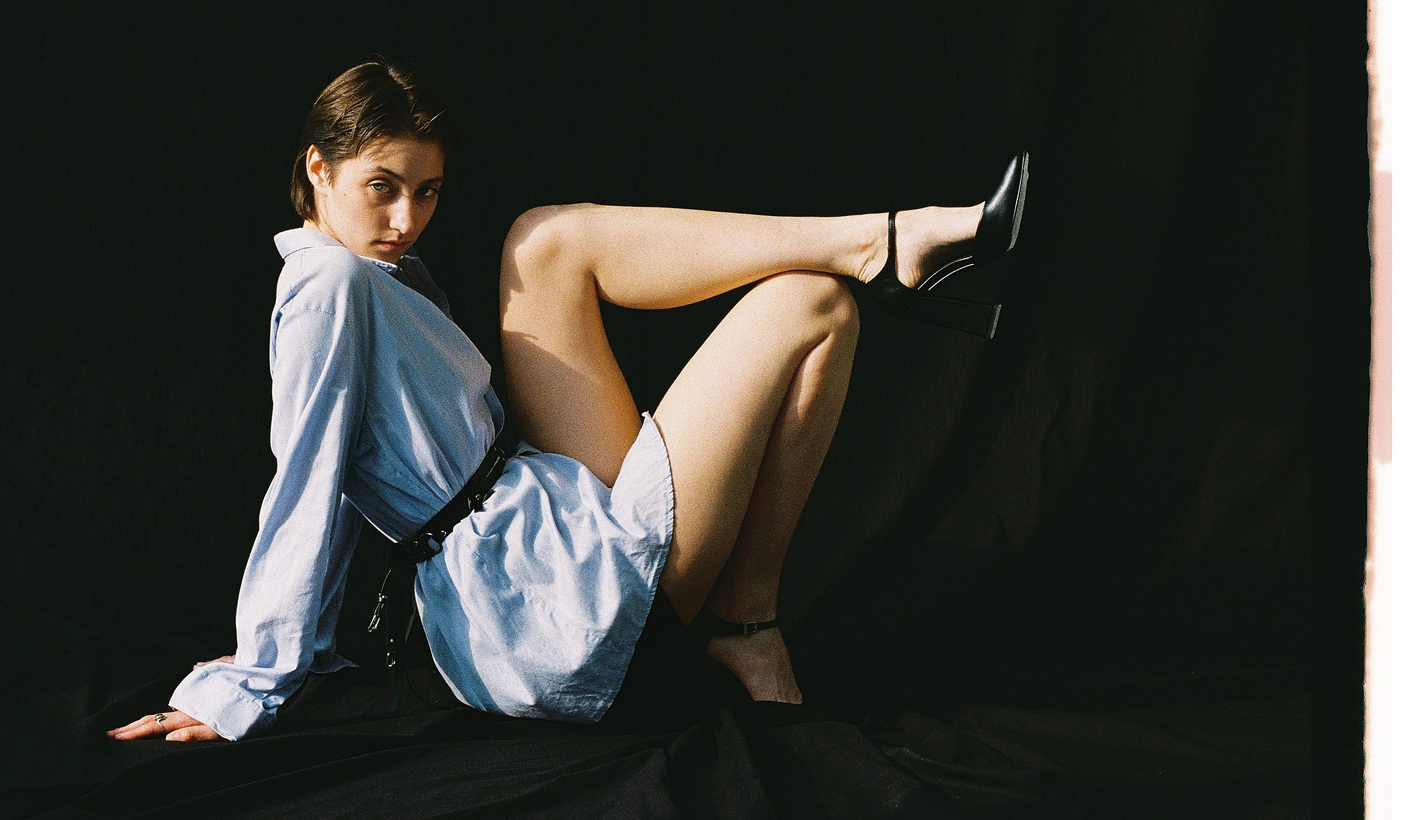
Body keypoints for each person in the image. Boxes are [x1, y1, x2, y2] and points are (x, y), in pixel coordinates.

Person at [109, 60, 1025, 743]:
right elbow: (307, 486)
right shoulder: (329, 288)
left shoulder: (371, 276)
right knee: (813, 306)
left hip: (542, 514)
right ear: (317, 168)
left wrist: (298, 654)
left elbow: (357, 471)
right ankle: (749, 617)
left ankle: (877, 243)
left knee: (544, 241)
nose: (406, 220)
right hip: (550, 605)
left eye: (427, 193)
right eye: (381, 189)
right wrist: (255, 679)